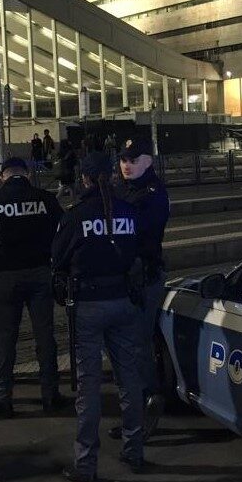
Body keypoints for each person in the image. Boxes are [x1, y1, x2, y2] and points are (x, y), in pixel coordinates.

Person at [52, 152, 144, 482]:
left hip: (89, 305)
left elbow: (58, 257)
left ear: (85, 179)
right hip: (123, 301)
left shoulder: (76, 216)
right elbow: (137, 251)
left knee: (88, 387)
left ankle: (86, 463)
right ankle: (135, 450)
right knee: (129, 378)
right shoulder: (127, 212)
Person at [0, 157, 67, 417]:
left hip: (5, 278)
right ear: (27, 174)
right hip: (40, 274)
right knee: (45, 336)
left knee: (4, 339)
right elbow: (62, 231)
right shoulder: (45, 199)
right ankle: (51, 394)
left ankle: (2, 398)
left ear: (2, 176)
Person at [109, 137, 170, 442]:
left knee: (137, 344)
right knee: (124, 345)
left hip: (144, 277)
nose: (126, 165)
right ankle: (136, 408)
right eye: (123, 160)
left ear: (149, 161)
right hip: (123, 277)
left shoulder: (153, 193)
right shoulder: (121, 189)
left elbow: (139, 232)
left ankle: (148, 402)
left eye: (133, 160)